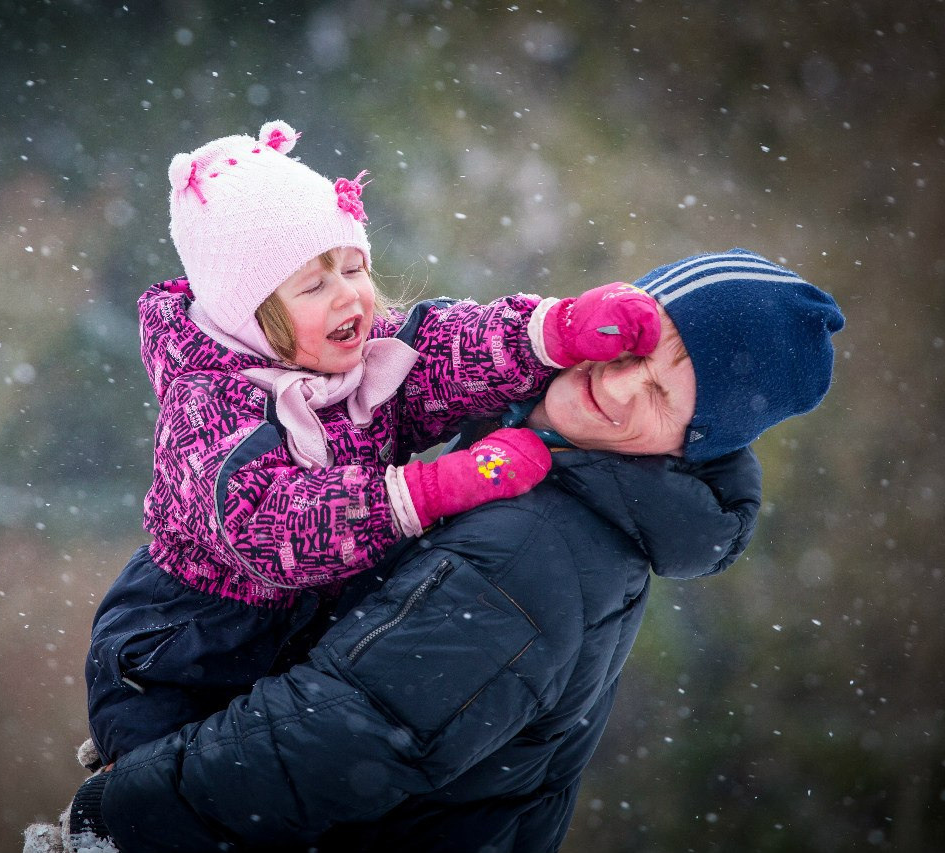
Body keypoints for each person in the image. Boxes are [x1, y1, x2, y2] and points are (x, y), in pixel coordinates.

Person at [37, 248, 844, 853]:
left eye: (665, 395)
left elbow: (347, 732)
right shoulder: (547, 462)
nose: (624, 385)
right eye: (633, 348)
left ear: (689, 441)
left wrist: (122, 812)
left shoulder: (539, 544)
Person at [79, 119, 664, 774]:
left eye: (353, 266)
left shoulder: (354, 363)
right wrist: (434, 488)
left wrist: (549, 332)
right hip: (180, 660)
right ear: (250, 313)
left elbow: (442, 353)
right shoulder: (207, 408)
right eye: (314, 284)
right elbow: (275, 527)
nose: (349, 293)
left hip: (297, 645)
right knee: (175, 800)